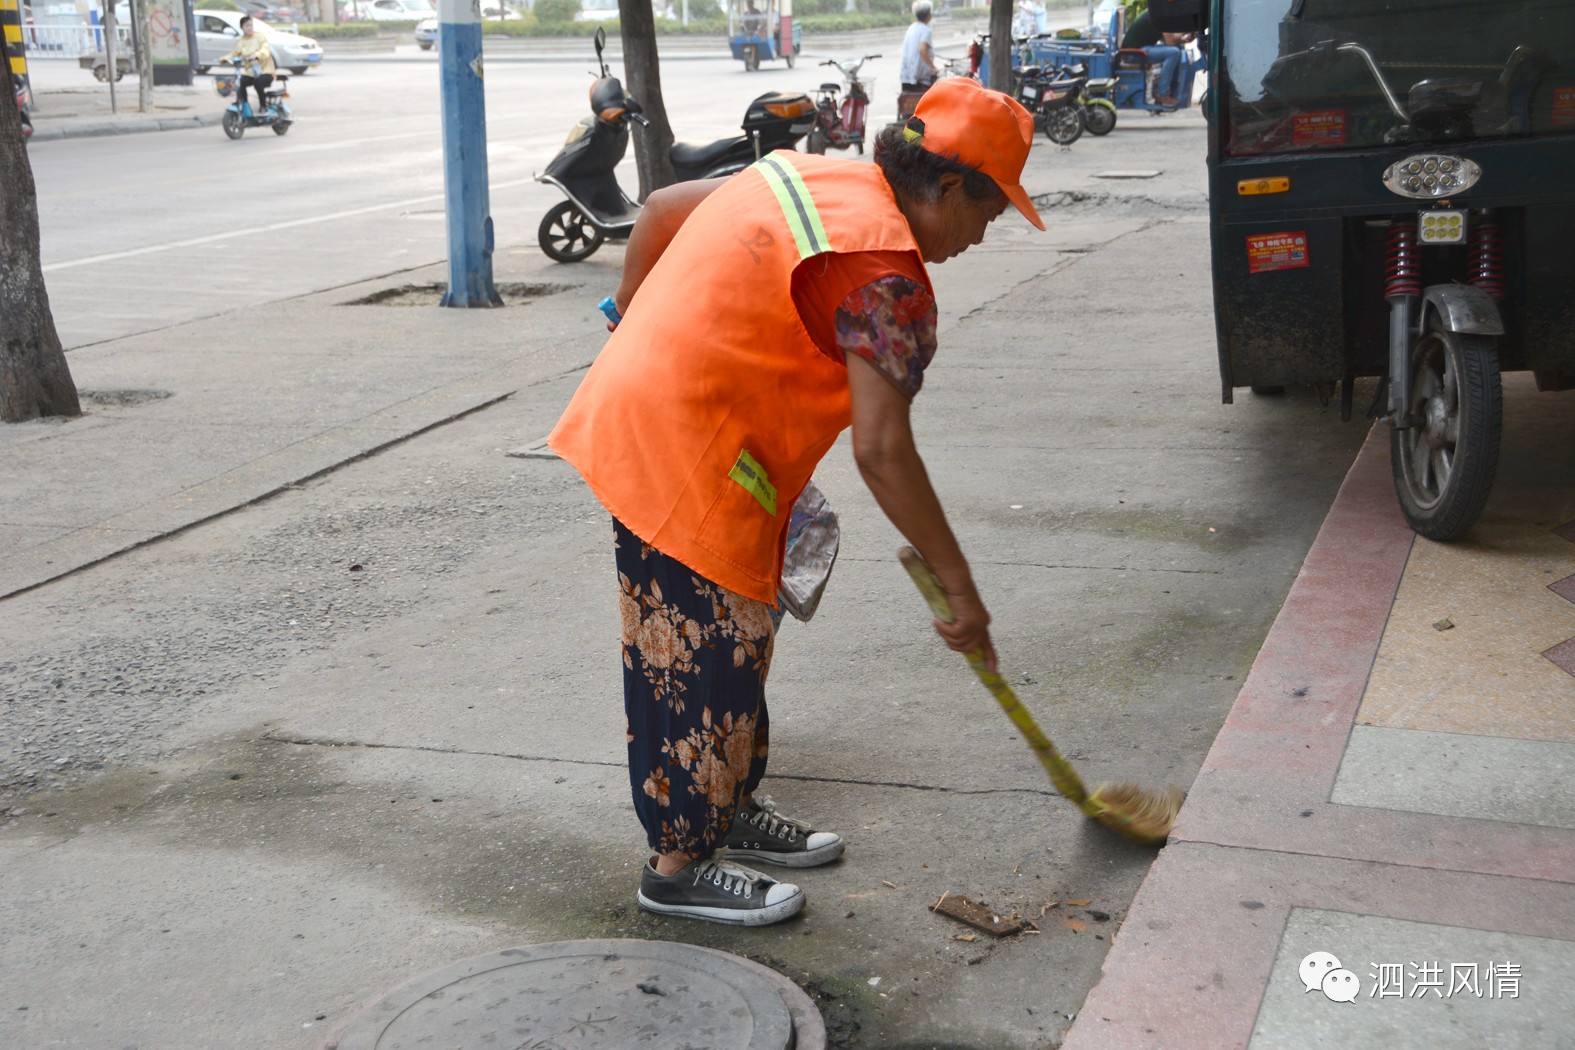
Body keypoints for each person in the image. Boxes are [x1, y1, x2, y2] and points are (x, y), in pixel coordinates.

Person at [548, 77, 1044, 927]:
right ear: (951, 185)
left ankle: (727, 809)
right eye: (989, 216)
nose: (980, 238)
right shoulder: (886, 278)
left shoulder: (817, 177)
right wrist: (961, 588)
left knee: (740, 641)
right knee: (696, 652)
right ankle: (677, 865)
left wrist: (630, 320)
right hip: (683, 446)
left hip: (683, 425)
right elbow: (882, 452)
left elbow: (664, 207)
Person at [1120, 7, 1199, 106]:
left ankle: (1169, 91)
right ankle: (1163, 94)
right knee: (1173, 52)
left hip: (1139, 50)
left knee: (1176, 49)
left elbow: (1168, 39)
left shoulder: (1159, 10)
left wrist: (1184, 40)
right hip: (1134, 53)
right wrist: (1184, 31)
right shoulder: (1163, 14)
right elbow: (1170, 42)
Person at [222, 15, 275, 116]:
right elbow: (234, 53)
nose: (249, 27)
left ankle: (263, 106)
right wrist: (225, 59)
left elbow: (265, 50)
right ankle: (244, 105)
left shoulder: (260, 37)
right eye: (246, 25)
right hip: (251, 73)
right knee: (239, 83)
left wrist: (257, 55)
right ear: (242, 28)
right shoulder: (241, 41)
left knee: (258, 82)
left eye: (250, 25)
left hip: (265, 71)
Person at [899, 0, 938, 93]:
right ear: (928, 15)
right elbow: (922, 50)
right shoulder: (926, 30)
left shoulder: (912, 28)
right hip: (919, 80)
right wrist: (933, 68)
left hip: (906, 77)